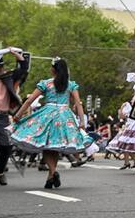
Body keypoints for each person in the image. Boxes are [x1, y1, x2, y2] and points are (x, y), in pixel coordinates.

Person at [10, 58, 88, 189]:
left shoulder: (46, 84)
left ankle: (52, 173)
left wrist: (18, 115)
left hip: (47, 115)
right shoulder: (70, 85)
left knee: (47, 145)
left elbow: (29, 101)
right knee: (55, 145)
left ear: (53, 69)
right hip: (65, 116)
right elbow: (78, 103)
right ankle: (50, 176)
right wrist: (81, 121)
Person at [0, 47, 29, 185]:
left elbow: (23, 68)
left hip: (2, 116)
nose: (0, 69)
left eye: (1, 66)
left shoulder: (8, 77)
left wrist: (16, 54)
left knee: (6, 147)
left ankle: (0, 171)